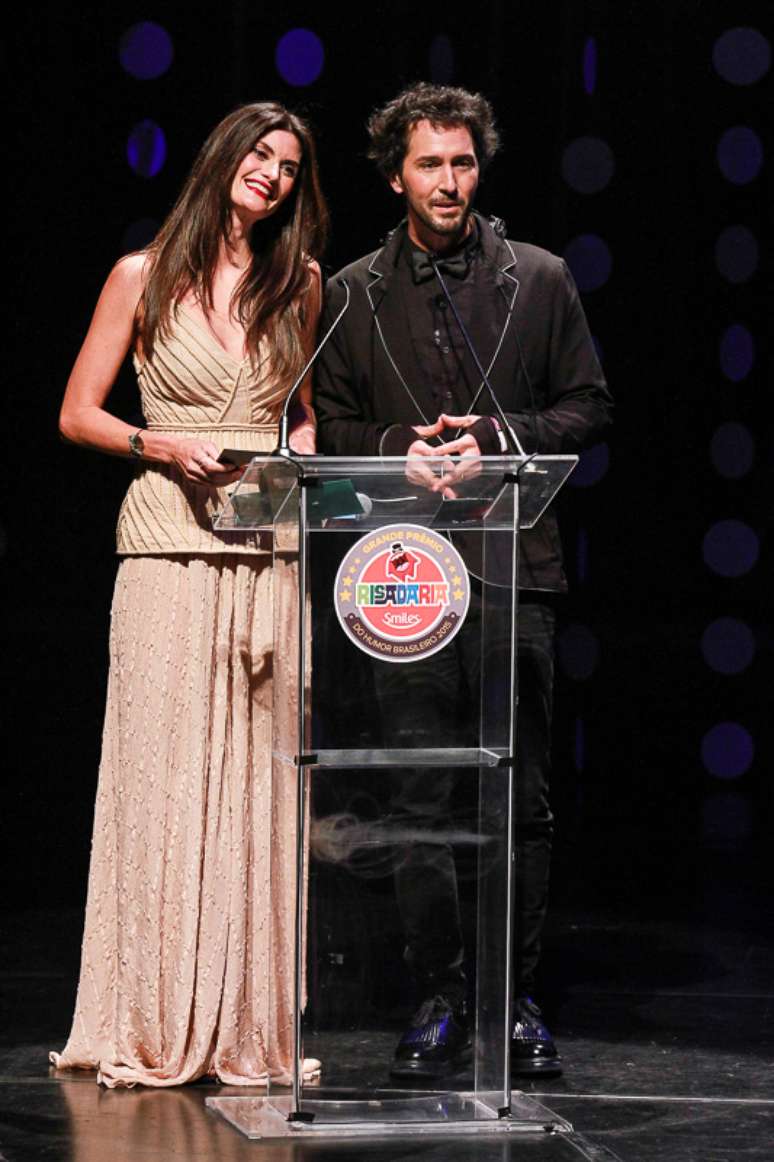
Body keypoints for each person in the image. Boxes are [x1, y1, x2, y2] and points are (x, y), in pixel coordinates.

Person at [314, 83, 612, 1078]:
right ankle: (440, 991)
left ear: (480, 168)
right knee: (417, 792)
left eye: (462, 163)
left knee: (519, 798)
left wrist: (499, 440)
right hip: (404, 578)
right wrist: (400, 450)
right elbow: (329, 427)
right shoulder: (351, 290)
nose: (447, 181)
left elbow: (587, 407)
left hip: (512, 567)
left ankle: (510, 995)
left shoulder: (540, 277)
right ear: (395, 174)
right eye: (428, 164)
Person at [50, 102, 328, 1088]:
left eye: (290, 166)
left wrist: (301, 454)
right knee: (162, 777)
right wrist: (160, 442)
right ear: (223, 158)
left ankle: (246, 1024)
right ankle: (153, 1010)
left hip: (268, 549)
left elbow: (298, 414)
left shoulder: (298, 282)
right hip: (166, 539)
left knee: (257, 786)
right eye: (260, 155)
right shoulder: (142, 273)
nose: (273, 175)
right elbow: (77, 413)